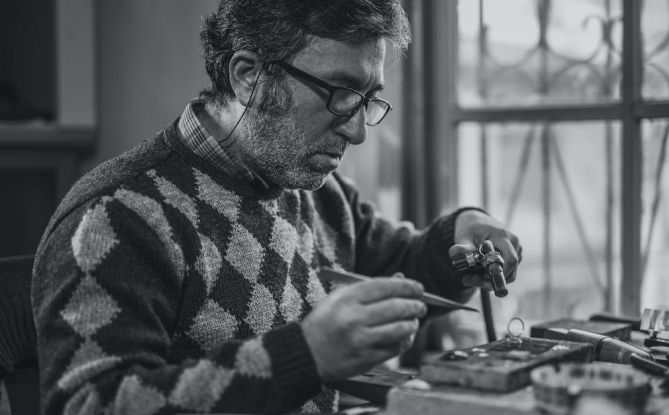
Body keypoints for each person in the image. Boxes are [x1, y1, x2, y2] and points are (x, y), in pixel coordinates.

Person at [31, 1, 522, 414]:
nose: (357, 130)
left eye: (368, 99)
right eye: (341, 94)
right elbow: (91, 404)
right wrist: (304, 356)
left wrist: (461, 234)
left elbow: (401, 267)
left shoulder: (317, 191)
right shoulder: (117, 217)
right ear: (248, 75)